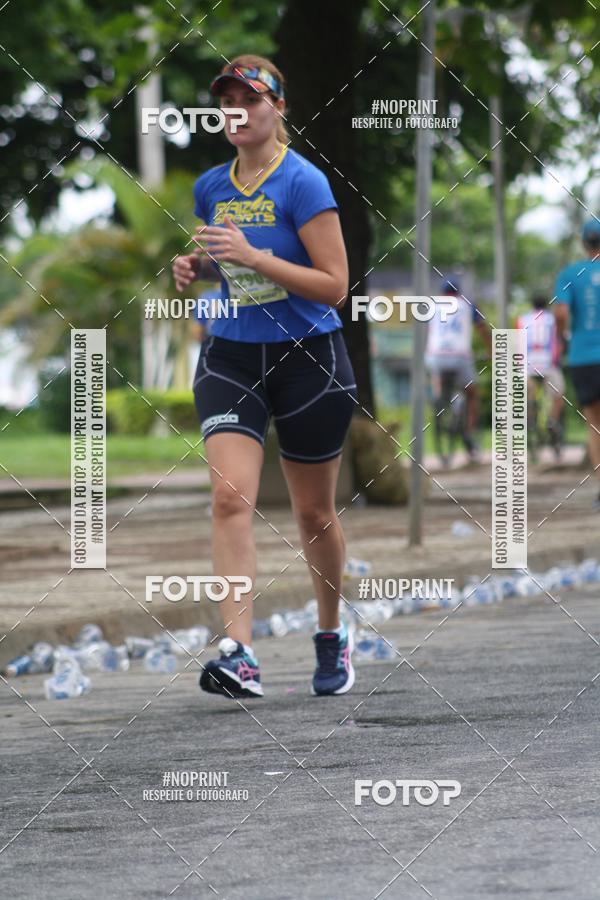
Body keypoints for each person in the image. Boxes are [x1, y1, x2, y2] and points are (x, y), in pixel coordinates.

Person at [172, 55, 357, 699]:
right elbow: (225, 259)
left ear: (278, 108)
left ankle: (330, 634)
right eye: (226, 100)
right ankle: (239, 652)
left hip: (309, 357)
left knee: (312, 512)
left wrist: (256, 256)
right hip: (231, 354)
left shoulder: (304, 182)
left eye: (250, 100)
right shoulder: (209, 186)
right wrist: (196, 263)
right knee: (230, 498)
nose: (237, 111)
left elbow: (335, 287)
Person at [555, 218, 600, 508]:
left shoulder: (571, 273)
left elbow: (560, 313)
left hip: (584, 356)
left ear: (585, 244)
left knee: (594, 424)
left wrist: (564, 339)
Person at [425, 277, 491, 461]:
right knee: (471, 394)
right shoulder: (467, 305)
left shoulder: (433, 306)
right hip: (460, 357)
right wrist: (491, 350)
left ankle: (438, 398)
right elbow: (482, 328)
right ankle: (469, 434)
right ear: (459, 292)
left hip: (435, 357)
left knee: (437, 377)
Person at [516, 295, 565, 451]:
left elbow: (517, 343)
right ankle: (552, 421)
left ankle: (529, 419)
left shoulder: (522, 320)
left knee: (527, 394)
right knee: (558, 396)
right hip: (548, 364)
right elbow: (559, 341)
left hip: (527, 365)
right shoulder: (552, 320)